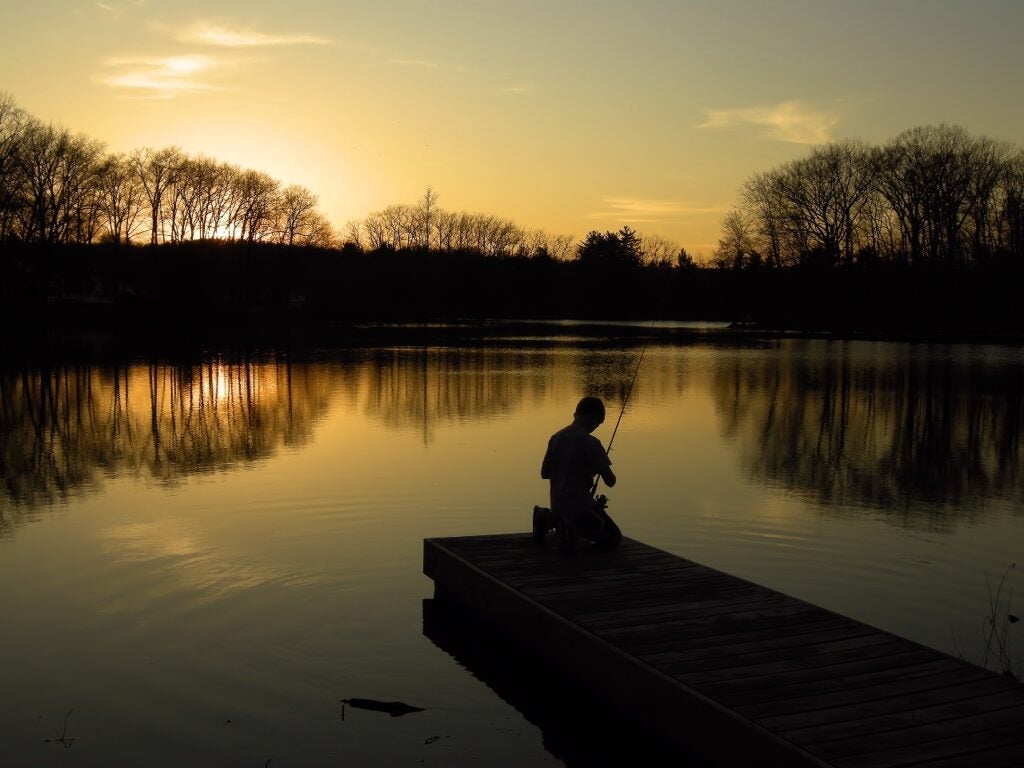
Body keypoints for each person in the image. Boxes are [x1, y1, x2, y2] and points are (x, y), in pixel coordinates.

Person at [535, 396, 622, 553]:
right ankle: (572, 528)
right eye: (598, 423)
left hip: (557, 505)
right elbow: (611, 481)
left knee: (576, 517)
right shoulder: (591, 443)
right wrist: (594, 469)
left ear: (576, 414)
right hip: (581, 507)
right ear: (594, 417)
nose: (596, 428)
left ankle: (548, 518)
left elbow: (545, 473)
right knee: (613, 537)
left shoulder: (556, 438)